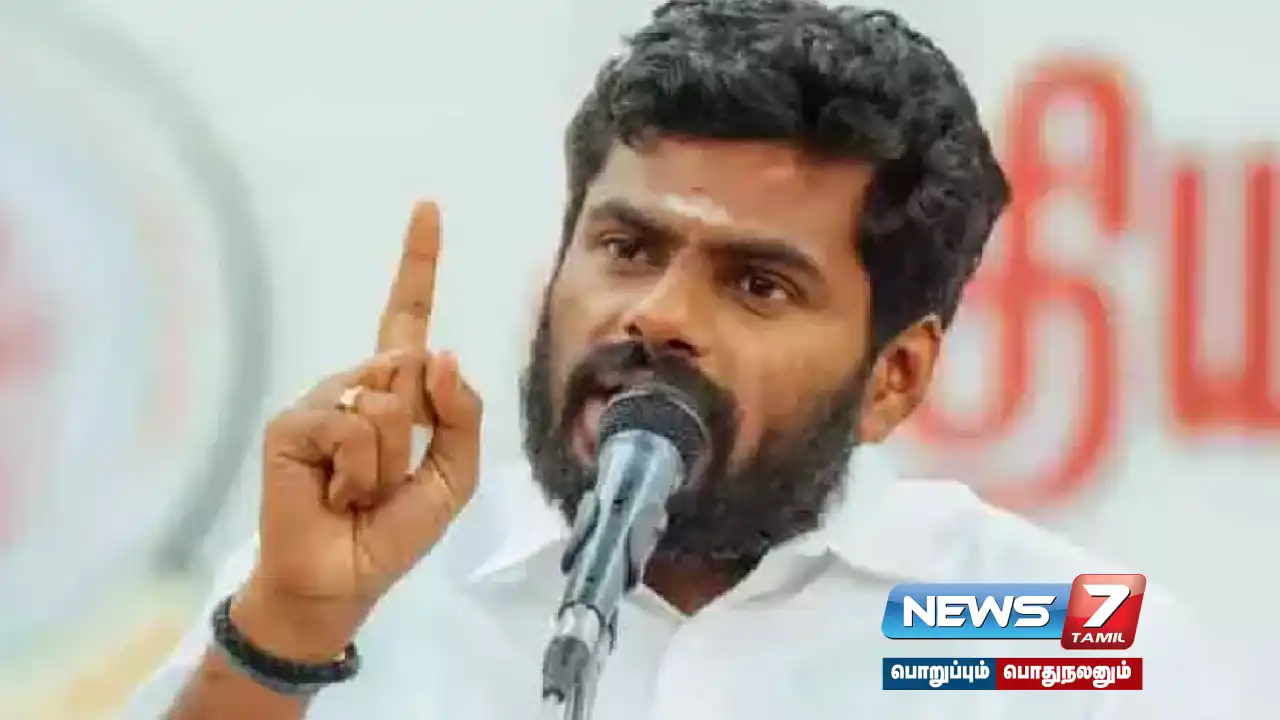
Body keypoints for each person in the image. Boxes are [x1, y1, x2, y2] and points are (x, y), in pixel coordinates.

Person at [126, 2, 1253, 718]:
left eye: (758, 284)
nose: (658, 316)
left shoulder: (1050, 638)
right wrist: (285, 634)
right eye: (626, 247)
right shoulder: (352, 592)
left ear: (895, 378)